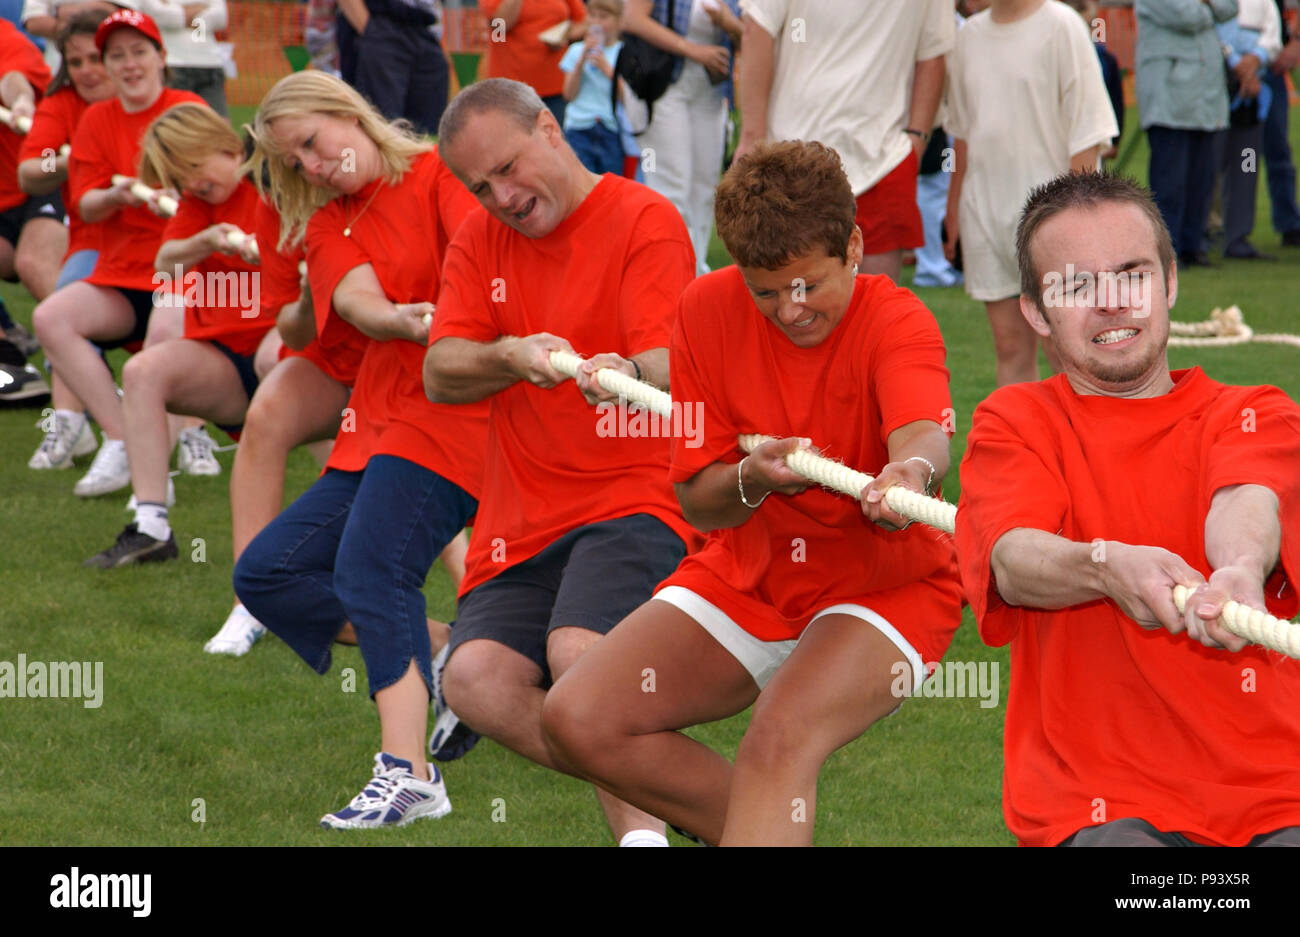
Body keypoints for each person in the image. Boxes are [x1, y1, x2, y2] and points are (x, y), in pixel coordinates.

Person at [541, 140, 964, 847]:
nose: (789, 310)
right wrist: (754, 477)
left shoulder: (898, 318)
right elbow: (698, 500)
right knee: (577, 717)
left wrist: (908, 473)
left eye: (807, 285)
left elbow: (923, 434)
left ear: (855, 248)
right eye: (765, 292)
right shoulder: (704, 309)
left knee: (779, 736)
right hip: (748, 570)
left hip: (887, 585)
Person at [956, 170, 1300, 847]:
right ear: (1036, 312)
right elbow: (1013, 558)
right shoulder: (1015, 422)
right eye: (1076, 286)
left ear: (1169, 282)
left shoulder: (1256, 412)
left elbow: (1244, 497)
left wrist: (1238, 568)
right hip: (1097, 805)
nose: (1112, 303)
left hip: (1277, 795)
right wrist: (1106, 567)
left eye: (1132, 275)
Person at [424, 77, 697, 847]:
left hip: (636, 496)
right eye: (481, 188)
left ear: (550, 128)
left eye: (507, 169)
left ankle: (646, 836)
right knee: (473, 679)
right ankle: (700, 795)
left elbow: (672, 362)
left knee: (579, 653)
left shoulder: (645, 217)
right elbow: (440, 370)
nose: (503, 198)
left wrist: (627, 371)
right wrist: (508, 354)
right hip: (522, 518)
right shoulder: (478, 241)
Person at [235, 70, 488, 828]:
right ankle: (452, 654)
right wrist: (401, 320)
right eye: (295, 163)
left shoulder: (439, 173)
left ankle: (409, 774)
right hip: (378, 421)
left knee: (374, 569)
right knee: (267, 573)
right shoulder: (327, 223)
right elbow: (355, 300)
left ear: (344, 111)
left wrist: (451, 325)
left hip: (457, 409)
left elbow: (486, 262)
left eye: (312, 144)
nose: (312, 168)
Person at [83, 103, 272, 568]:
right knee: (142, 371)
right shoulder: (197, 204)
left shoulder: (274, 182)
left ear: (225, 146)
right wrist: (207, 239)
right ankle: (151, 526)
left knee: (348, 457)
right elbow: (166, 261)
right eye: (180, 177)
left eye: (193, 165)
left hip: (287, 349)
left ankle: (370, 530)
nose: (192, 183)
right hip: (225, 358)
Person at [32, 8, 206, 498]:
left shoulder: (188, 109)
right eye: (117, 56)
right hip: (121, 271)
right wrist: (116, 195)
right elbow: (85, 202)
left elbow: (220, 188)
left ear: (161, 57)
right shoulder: (96, 118)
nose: (129, 65)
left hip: (181, 270)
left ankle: (164, 462)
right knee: (50, 318)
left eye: (138, 52)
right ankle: (124, 437)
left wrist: (178, 190)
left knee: (161, 342)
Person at [944, 0, 1116, 387]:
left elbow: (1087, 137)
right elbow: (962, 136)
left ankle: (1087, 429)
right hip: (987, 216)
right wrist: (953, 210)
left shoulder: (1062, 27)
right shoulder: (968, 38)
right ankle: (1018, 430)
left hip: (1055, 224)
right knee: (1009, 348)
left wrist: (1076, 223)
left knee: (1065, 351)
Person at [738, 0, 950, 285]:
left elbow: (933, 53)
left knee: (861, 306)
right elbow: (758, 28)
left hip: (879, 161)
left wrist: (917, 141)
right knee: (793, 300)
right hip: (794, 161)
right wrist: (753, 138)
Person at [18, 10, 117, 467]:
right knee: (60, 312)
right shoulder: (62, 104)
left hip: (162, 247)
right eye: (75, 62)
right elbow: (32, 168)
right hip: (94, 242)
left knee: (175, 320)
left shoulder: (162, 104)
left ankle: (191, 431)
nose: (86, 71)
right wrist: (72, 160)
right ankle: (69, 423)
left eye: (96, 58)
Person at [623, 0, 741, 276]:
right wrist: (694, 51)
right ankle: (671, 273)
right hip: (666, 85)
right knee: (672, 185)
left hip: (711, 91)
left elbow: (751, 36)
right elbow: (632, 19)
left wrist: (730, 24)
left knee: (706, 188)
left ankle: (696, 272)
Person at [1135, 0, 1238, 267]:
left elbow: (1230, 8)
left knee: (1202, 180)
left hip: (1206, 97)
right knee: (1170, 183)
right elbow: (1185, 14)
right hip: (1169, 98)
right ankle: (1168, 251)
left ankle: (1194, 246)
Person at [1213, 0, 1282, 260]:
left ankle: (1238, 236)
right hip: (1215, 89)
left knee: (1247, 164)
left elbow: (1272, 33)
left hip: (1251, 97)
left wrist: (1255, 60)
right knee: (1209, 165)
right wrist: (1235, 62)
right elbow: (1211, 29)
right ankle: (1200, 235)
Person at [333, 0, 449, 135]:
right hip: (379, 17)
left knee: (428, 133)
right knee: (381, 130)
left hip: (424, 25)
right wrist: (369, 29)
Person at [478, 0, 587, 125]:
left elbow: (584, 22)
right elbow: (501, 25)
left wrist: (564, 36)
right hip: (509, 89)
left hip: (555, 89)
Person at [558, 0, 623, 176]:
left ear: (618, 21)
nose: (597, 22)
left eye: (604, 17)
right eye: (593, 16)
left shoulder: (623, 52)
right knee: (581, 181)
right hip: (578, 128)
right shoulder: (575, 50)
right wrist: (581, 61)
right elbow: (568, 94)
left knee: (611, 183)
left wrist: (606, 68)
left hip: (610, 129)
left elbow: (626, 97)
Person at [134, 0, 228, 114]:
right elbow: (157, 14)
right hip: (172, 64)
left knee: (216, 121)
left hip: (210, 64)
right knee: (174, 121)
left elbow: (221, 18)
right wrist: (199, 12)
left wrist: (176, 12)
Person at [1262, 0, 1300, 245]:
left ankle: (1289, 222)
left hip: (1271, 67)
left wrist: (1296, 40)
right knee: (1244, 156)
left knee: (1277, 150)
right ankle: (1235, 227)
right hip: (1236, 67)